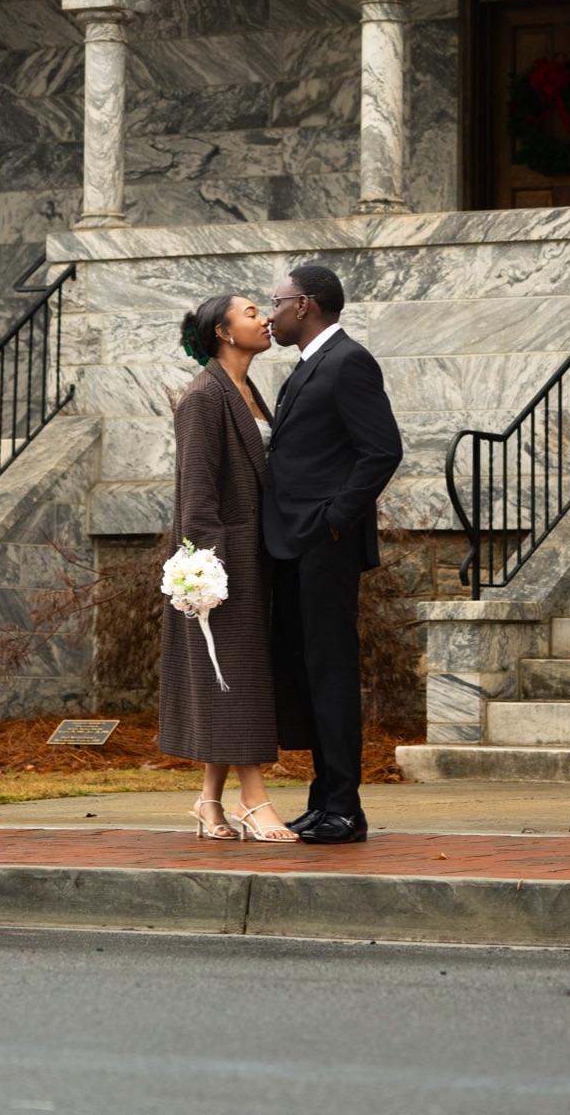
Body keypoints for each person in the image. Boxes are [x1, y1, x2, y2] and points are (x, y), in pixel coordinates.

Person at [264, 262, 403, 844]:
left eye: (276, 302)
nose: (270, 314)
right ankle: (325, 800)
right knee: (308, 673)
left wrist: (334, 521)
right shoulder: (304, 368)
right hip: (291, 547)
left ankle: (345, 809)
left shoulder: (349, 361)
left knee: (332, 674)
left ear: (305, 305)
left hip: (324, 546)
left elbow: (382, 450)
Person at [158, 293, 298, 842]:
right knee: (236, 683)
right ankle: (254, 800)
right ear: (222, 331)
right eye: (250, 314)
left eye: (264, 311)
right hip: (219, 568)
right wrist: (209, 573)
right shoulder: (202, 398)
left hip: (255, 559)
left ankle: (208, 802)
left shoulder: (246, 391)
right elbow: (195, 498)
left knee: (228, 682)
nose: (265, 318)